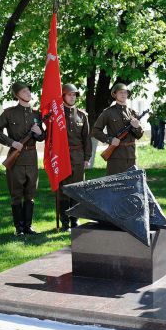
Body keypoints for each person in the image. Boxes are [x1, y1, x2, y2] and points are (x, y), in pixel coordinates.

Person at [0, 82, 46, 236]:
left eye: (28, 90)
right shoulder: (9, 113)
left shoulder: (37, 114)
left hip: (32, 157)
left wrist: (39, 131)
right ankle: (19, 228)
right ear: (16, 95)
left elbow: (43, 137)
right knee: (16, 193)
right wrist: (11, 142)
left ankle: (28, 226)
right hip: (16, 158)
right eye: (24, 91)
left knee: (30, 192)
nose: (28, 93)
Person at [57, 84, 91, 232]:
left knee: (77, 189)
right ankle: (64, 222)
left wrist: (87, 158)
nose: (73, 97)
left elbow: (86, 138)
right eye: (69, 94)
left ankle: (74, 221)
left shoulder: (82, 115)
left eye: (74, 95)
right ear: (63, 96)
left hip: (78, 156)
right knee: (64, 190)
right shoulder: (57, 114)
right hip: (62, 156)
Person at [92, 83, 144, 175]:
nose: (123, 94)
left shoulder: (133, 113)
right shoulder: (108, 112)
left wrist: (137, 127)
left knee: (132, 186)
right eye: (120, 92)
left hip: (131, 156)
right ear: (115, 94)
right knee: (114, 185)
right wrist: (110, 140)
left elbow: (139, 135)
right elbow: (95, 131)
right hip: (116, 157)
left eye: (125, 92)